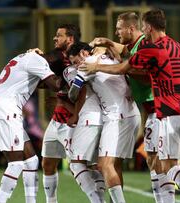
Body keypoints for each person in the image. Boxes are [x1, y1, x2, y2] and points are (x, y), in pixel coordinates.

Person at [80, 8, 180, 203]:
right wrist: (111, 45)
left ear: (147, 27)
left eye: (143, 28)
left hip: (165, 113)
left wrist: (97, 66)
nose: (142, 32)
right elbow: (128, 56)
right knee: (158, 161)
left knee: (169, 166)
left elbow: (124, 67)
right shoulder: (176, 45)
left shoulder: (150, 48)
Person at [0, 50, 65, 203]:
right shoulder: (39, 61)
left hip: (0, 108)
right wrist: (74, 75)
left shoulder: (27, 57)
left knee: (31, 161)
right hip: (7, 110)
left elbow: (38, 83)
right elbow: (54, 85)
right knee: (16, 164)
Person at [69, 42, 141, 203]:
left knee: (104, 165)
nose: (76, 65)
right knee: (114, 166)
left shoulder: (87, 64)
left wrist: (80, 87)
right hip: (132, 113)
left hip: (117, 117)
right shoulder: (109, 57)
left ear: (83, 53)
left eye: (75, 61)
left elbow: (73, 93)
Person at [40, 24, 81, 203]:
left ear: (70, 39)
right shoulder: (58, 58)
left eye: (59, 35)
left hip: (73, 122)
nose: (55, 38)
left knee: (80, 167)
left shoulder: (81, 59)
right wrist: (35, 56)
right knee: (47, 163)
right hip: (57, 119)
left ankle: (101, 196)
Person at [63, 43, 106, 202]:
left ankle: (96, 200)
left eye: (75, 61)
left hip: (89, 117)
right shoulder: (103, 62)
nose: (76, 65)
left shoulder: (72, 71)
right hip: (106, 118)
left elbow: (80, 91)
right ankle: (100, 198)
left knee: (76, 164)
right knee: (96, 166)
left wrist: (75, 115)